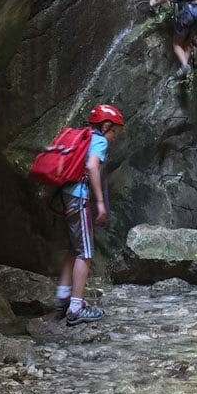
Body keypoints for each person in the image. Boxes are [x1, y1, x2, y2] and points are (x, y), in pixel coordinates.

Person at [54, 104, 124, 325]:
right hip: (80, 197)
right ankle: (75, 308)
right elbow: (93, 167)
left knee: (73, 248)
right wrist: (100, 202)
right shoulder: (99, 140)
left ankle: (63, 295)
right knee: (85, 252)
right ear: (106, 126)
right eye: (114, 132)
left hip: (66, 195)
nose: (114, 137)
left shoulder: (84, 137)